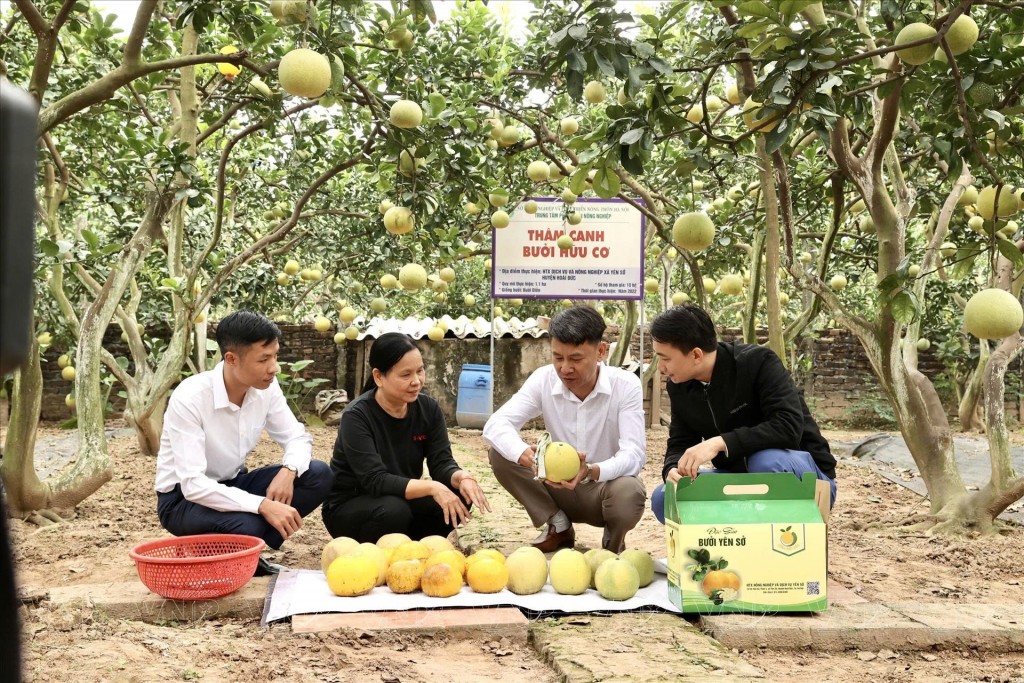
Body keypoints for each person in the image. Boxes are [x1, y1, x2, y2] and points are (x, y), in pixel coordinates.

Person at [155, 311, 332, 575]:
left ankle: (239, 549)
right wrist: (262, 504)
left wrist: (290, 470)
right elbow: (192, 484)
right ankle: (234, 549)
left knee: (318, 475)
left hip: (231, 482)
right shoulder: (190, 398)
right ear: (231, 359)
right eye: (264, 359)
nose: (274, 367)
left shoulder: (266, 388)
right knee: (246, 525)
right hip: (182, 500)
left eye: (275, 356)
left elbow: (296, 437)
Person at [649, 305, 837, 523]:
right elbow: (681, 441)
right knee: (664, 498)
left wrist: (719, 443)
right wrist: (673, 468)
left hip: (804, 477)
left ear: (696, 355)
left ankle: (778, 545)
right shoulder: (680, 386)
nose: (660, 367)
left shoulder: (758, 363)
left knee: (765, 462)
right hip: (741, 482)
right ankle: (734, 545)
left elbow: (788, 427)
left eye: (665, 358)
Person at [483, 306, 646, 553]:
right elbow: (496, 424)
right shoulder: (543, 379)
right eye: (558, 357)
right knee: (501, 453)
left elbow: (634, 454)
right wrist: (528, 457)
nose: (565, 368)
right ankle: (558, 525)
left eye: (576, 359)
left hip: (603, 490)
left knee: (629, 490)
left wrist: (591, 470)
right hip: (555, 485)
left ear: (601, 351)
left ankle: (613, 540)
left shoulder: (626, 386)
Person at [321, 333, 490, 543]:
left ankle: (415, 548)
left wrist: (463, 477)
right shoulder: (357, 416)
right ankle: (374, 555)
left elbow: (441, 462)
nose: (416, 381)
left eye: (420, 371)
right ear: (378, 377)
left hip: (397, 500)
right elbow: (375, 480)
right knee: (395, 510)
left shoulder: (428, 409)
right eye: (405, 375)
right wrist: (432, 487)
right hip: (351, 506)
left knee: (459, 495)